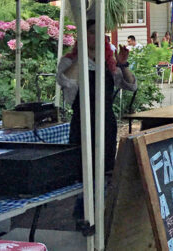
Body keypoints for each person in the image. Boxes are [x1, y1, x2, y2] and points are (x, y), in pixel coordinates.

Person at [57, 21, 137, 225]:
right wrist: (82, 58)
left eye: (98, 33)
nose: (95, 37)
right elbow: (66, 82)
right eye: (90, 33)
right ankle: (83, 213)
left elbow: (130, 85)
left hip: (106, 121)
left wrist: (122, 63)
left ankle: (102, 212)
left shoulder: (109, 63)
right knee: (82, 166)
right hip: (82, 120)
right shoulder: (69, 61)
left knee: (105, 165)